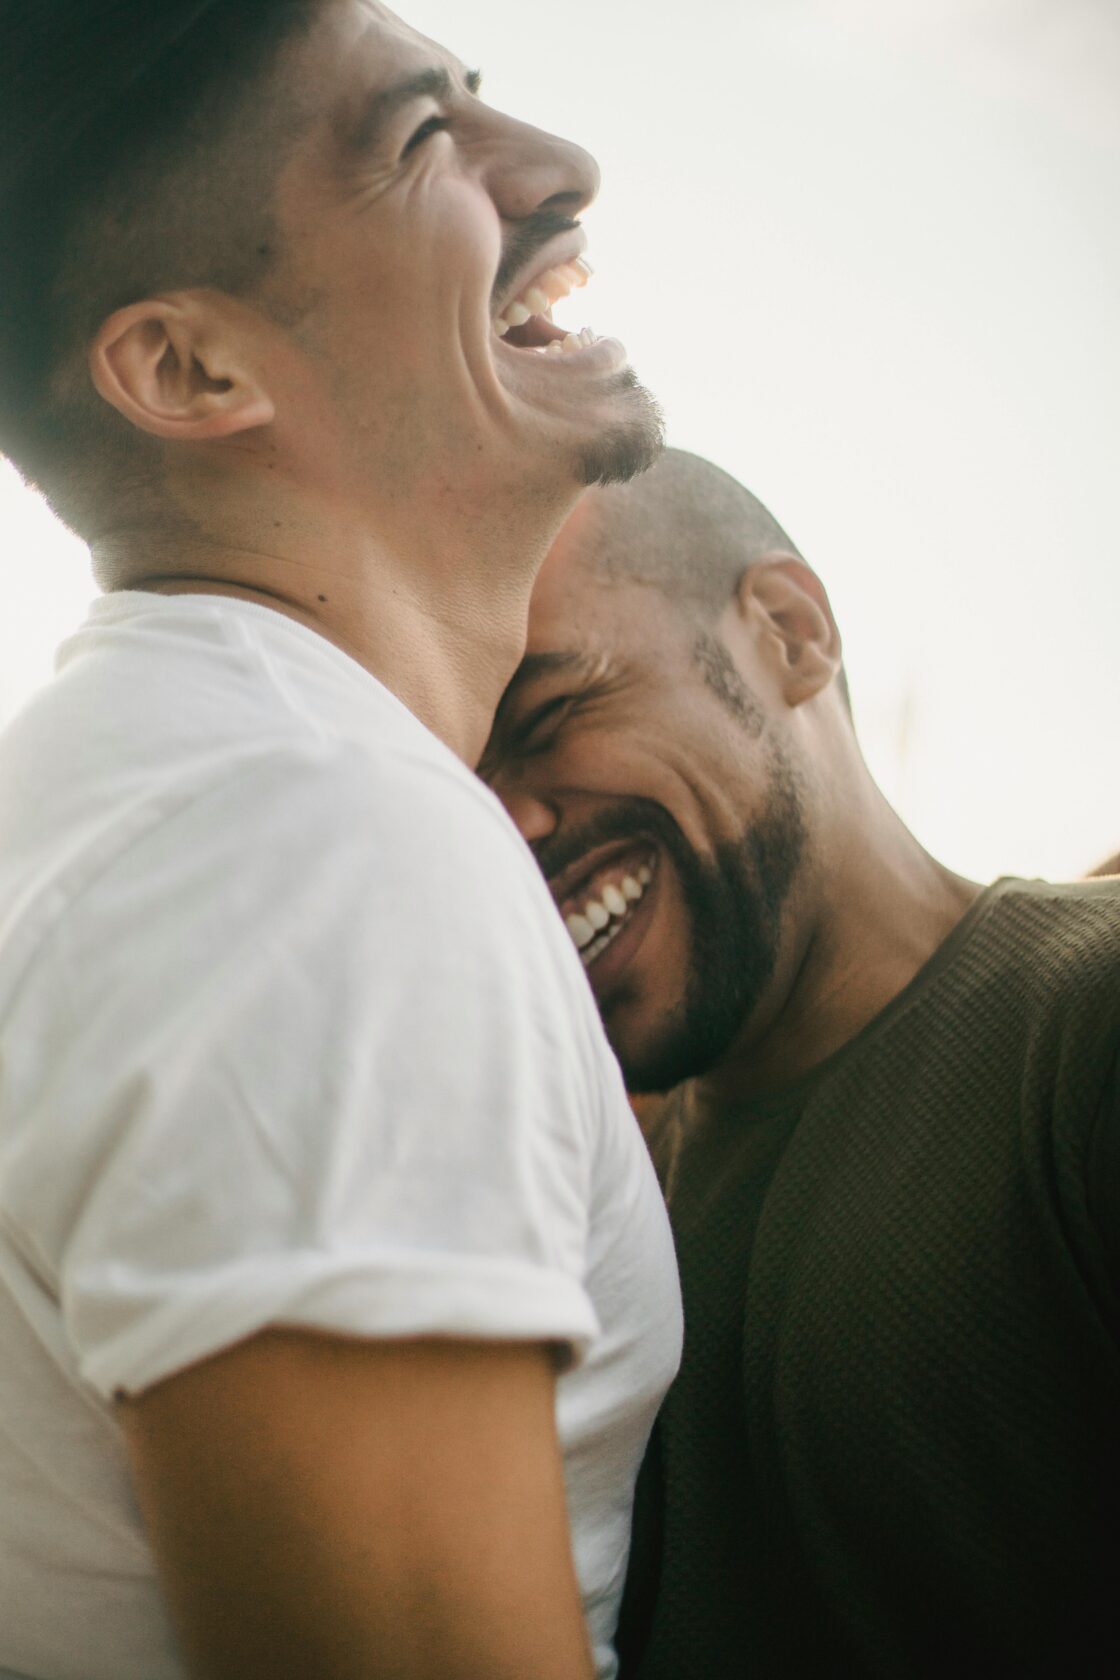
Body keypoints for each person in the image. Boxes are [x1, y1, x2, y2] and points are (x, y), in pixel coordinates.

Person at [0, 5, 681, 1678]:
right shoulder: (305, 847)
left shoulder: (161, 790)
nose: (558, 170)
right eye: (420, 139)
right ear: (188, 368)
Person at [481, 449, 1120, 1678]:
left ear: (788, 633)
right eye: (466, 781)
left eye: (552, 718)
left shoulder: (1084, 1028)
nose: (508, 832)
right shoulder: (581, 1211)